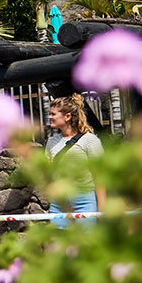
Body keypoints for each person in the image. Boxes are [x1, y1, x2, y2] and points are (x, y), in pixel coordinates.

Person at [44, 94, 106, 224]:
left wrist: (102, 211)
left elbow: (100, 177)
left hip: (85, 201)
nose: (50, 117)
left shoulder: (90, 140)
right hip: (59, 203)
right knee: (56, 243)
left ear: (67, 117)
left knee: (85, 243)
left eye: (53, 114)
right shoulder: (51, 142)